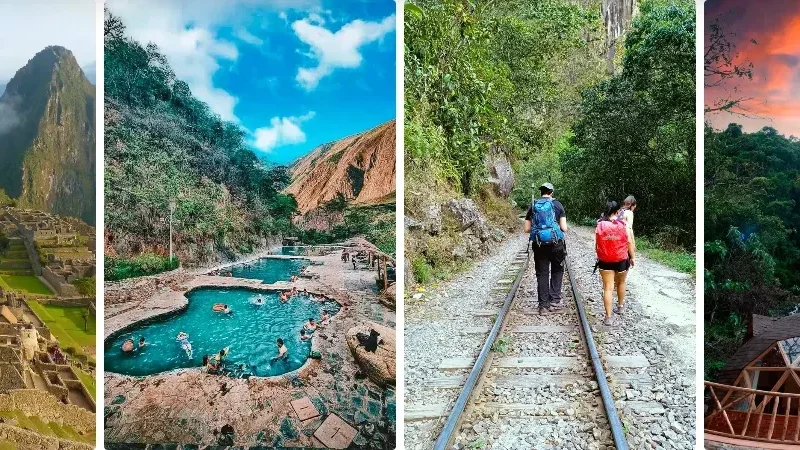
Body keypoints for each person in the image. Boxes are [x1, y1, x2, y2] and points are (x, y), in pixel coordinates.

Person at [524, 182, 568, 315]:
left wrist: (540, 230)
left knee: (542, 273)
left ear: (541, 192)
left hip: (539, 244)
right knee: (557, 270)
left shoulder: (533, 206)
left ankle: (543, 306)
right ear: (551, 193)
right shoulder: (558, 205)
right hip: (556, 243)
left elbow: (526, 229)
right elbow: (564, 228)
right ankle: (554, 300)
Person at [595, 201, 635, 326]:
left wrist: (601, 255)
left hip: (605, 260)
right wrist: (632, 257)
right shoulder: (624, 224)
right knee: (621, 282)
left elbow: (596, 245)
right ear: (618, 211)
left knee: (608, 287)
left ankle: (608, 317)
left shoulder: (600, 224)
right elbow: (629, 242)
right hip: (621, 259)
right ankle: (620, 306)